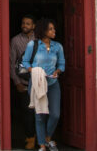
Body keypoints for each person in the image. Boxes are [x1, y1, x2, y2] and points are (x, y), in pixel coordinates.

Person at [23, 18, 65, 151]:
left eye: (54, 29)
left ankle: (47, 137)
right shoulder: (33, 45)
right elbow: (25, 62)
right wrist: (34, 71)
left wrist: (57, 71)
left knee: (55, 114)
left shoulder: (58, 46)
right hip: (37, 83)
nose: (54, 31)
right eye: (51, 29)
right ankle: (42, 145)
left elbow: (62, 64)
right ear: (44, 30)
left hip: (52, 83)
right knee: (40, 115)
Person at [10, 15, 37, 149]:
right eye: (23, 23)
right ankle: (30, 138)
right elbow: (11, 62)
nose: (24, 26)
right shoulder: (15, 41)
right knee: (27, 113)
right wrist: (16, 82)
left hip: (39, 83)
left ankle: (42, 138)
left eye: (28, 23)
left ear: (33, 26)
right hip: (24, 83)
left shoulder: (40, 40)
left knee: (41, 112)